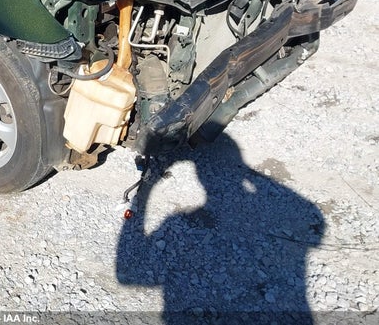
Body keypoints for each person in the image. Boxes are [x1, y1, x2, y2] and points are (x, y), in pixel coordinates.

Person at [116, 134, 324, 324]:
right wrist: (249, 175)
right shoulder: (304, 213)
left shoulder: (172, 222)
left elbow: (128, 275)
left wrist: (142, 197)